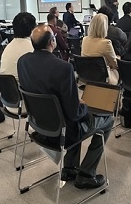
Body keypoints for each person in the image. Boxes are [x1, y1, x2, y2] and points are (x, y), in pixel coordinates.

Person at [17, 24, 113, 189]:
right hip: (62, 132)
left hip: (39, 127)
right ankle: (86, 174)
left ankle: (69, 168)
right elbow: (74, 113)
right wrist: (85, 107)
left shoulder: (23, 61)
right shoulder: (64, 68)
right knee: (107, 120)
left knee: (69, 118)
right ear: (52, 43)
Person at [81, 13, 119, 85]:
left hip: (88, 77)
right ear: (104, 27)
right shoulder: (106, 43)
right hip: (104, 79)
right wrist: (117, 58)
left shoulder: (84, 40)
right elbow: (115, 65)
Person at [0, 12, 36, 81]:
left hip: (7, 90)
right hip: (24, 89)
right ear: (33, 29)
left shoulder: (8, 47)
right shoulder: (32, 48)